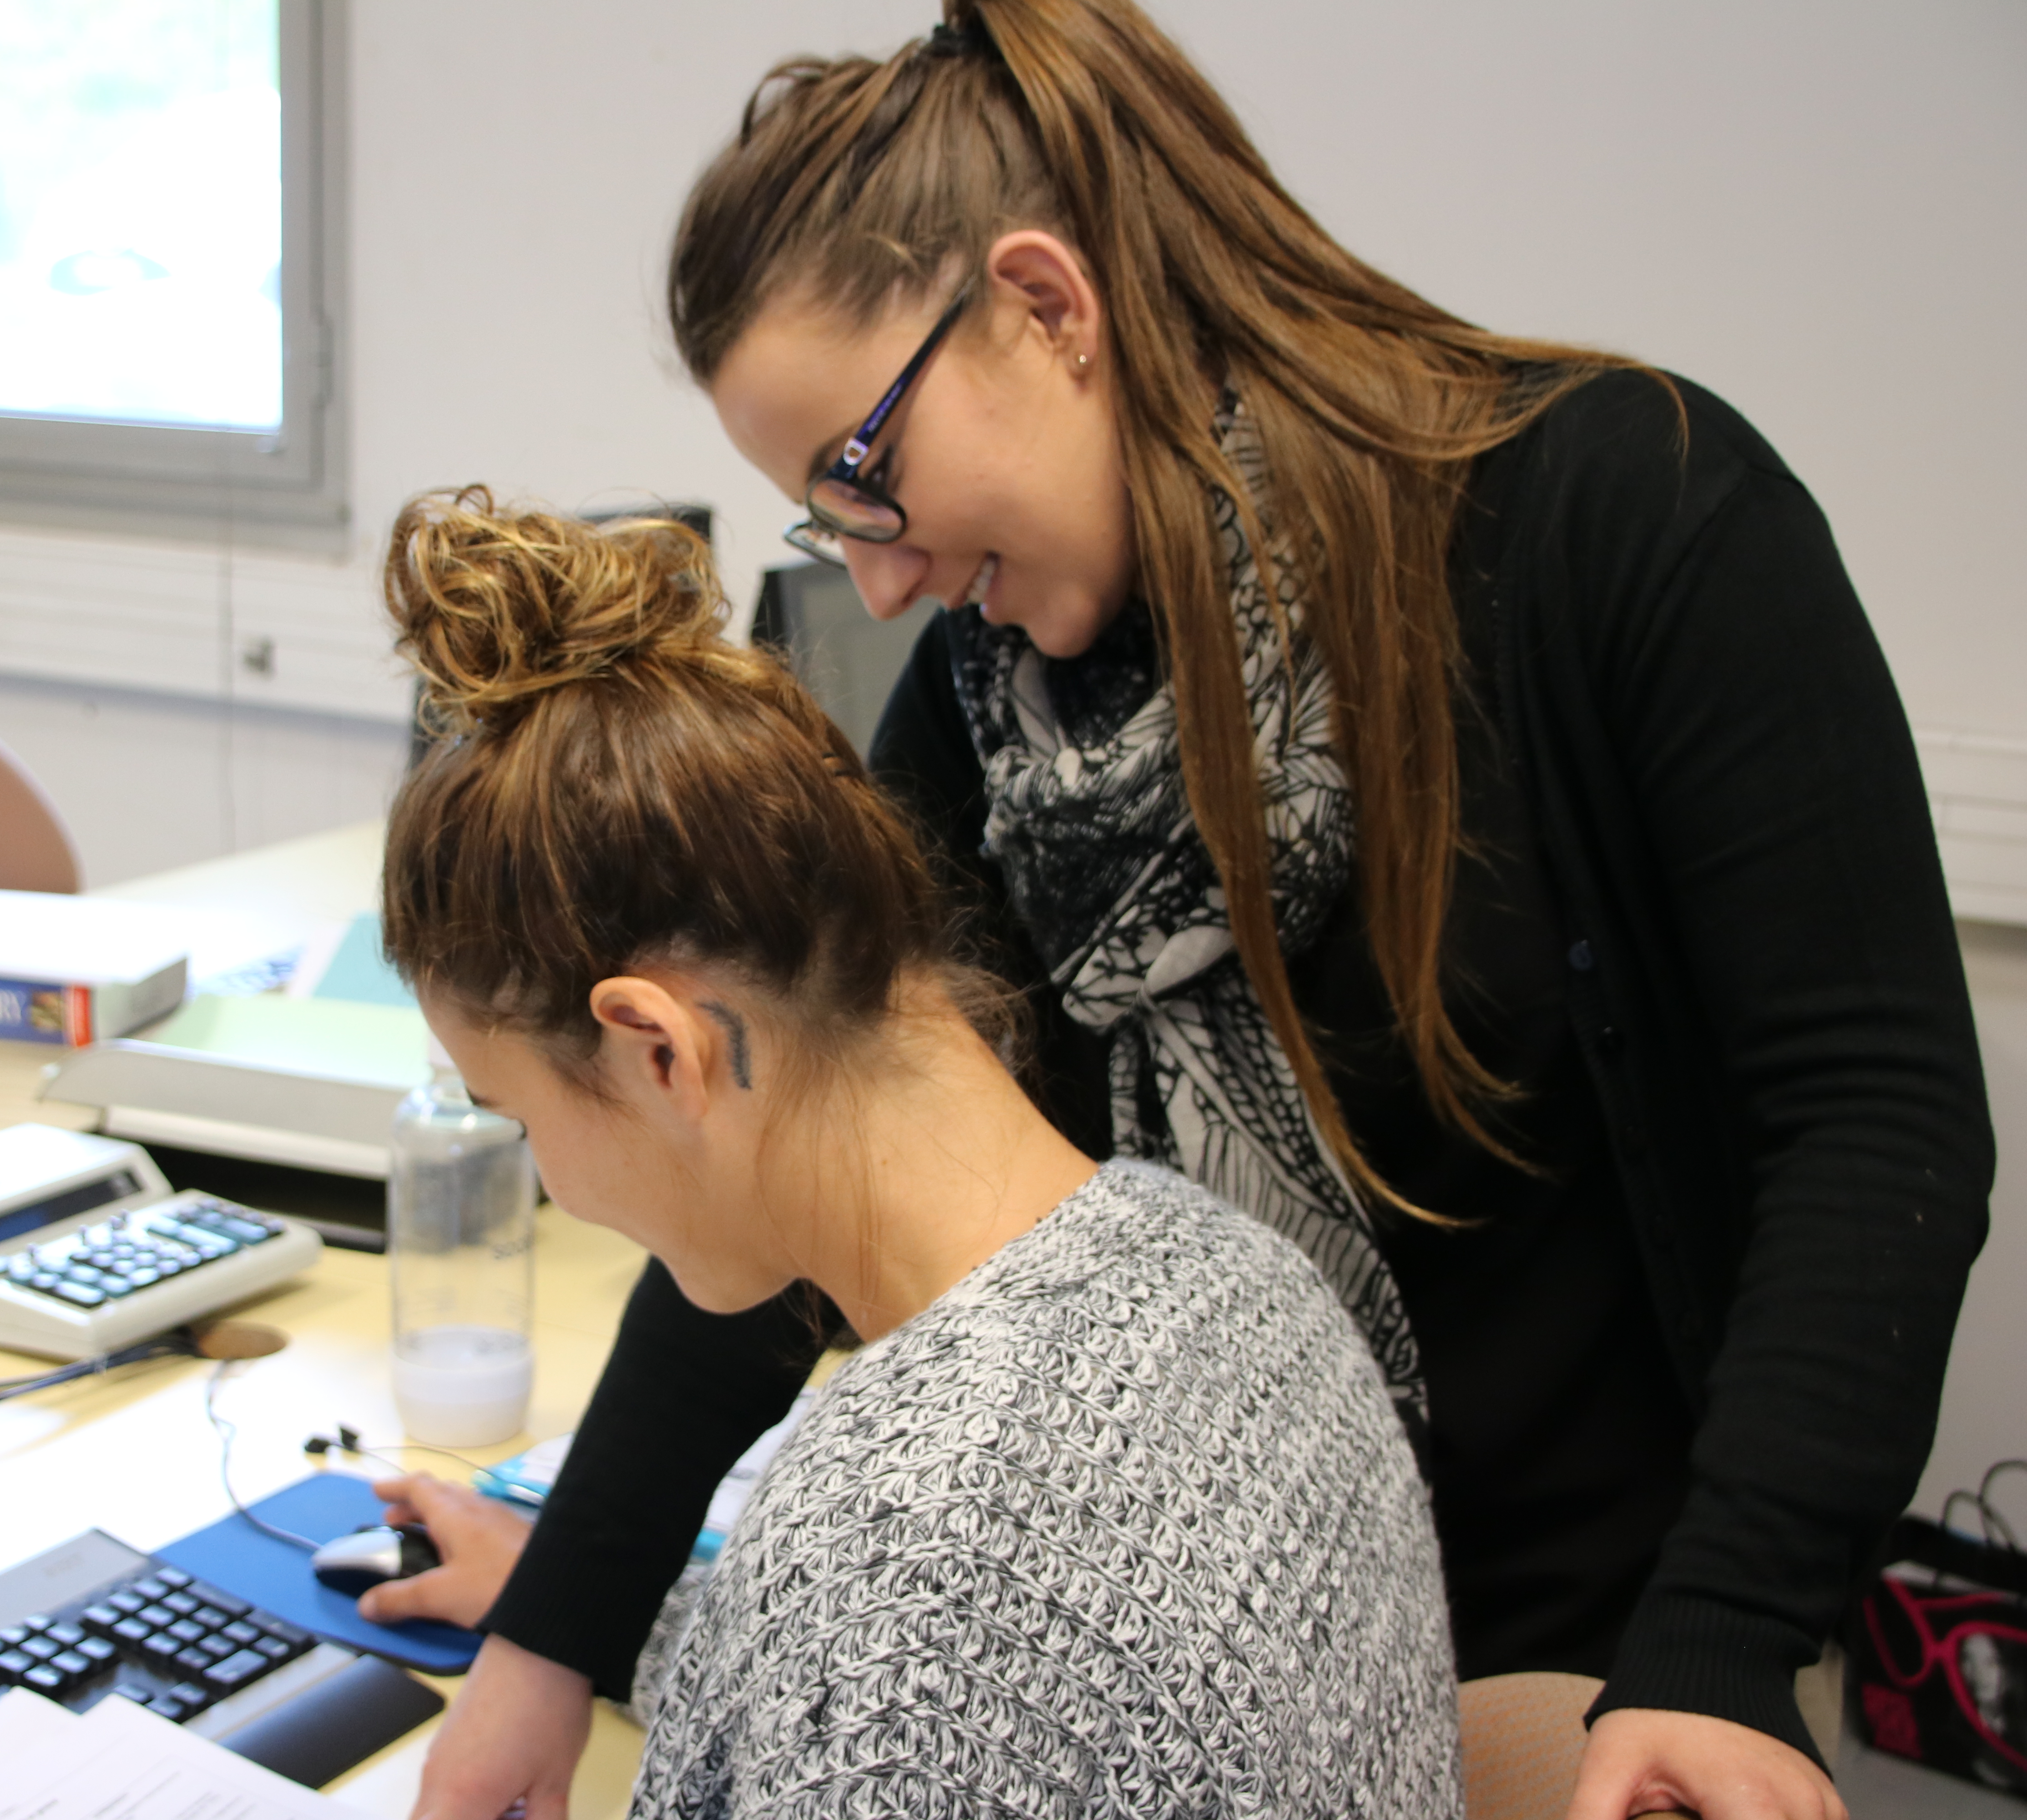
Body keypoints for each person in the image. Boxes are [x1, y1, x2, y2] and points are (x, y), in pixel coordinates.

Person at [365, 7, 1995, 1820]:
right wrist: (554, 1636)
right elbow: (786, 1120)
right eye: (828, 522)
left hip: (1628, 1661)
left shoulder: (1622, 517)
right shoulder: (993, 703)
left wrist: (1725, 1629)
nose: (884, 574)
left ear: (1046, 306)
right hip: (1196, 1645)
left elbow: (1877, 1122)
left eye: (862, 473)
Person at [369, 487, 1462, 1817]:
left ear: (661, 1051)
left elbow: (921, 1675)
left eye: (524, 1117)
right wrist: (652, 1640)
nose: (550, 1182)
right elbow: (1022, 1729)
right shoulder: (1246, 1279)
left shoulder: (904, 1556)